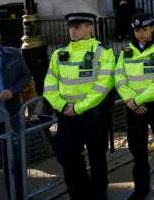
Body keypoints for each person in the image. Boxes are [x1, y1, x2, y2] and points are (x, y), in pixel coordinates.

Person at [43, 13, 115, 200]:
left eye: (78, 27)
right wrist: (63, 105)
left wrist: (79, 107)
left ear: (90, 28)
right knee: (67, 156)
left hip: (92, 114)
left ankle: (98, 194)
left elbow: (103, 85)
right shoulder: (60, 53)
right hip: (66, 114)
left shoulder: (103, 51)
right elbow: (50, 85)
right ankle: (78, 193)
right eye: (71, 27)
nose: (73, 31)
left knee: (97, 156)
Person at [114, 13, 154, 200]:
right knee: (138, 151)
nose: (141, 34)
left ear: (152, 29)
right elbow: (119, 79)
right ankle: (141, 188)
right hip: (133, 109)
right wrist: (131, 101)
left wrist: (137, 101)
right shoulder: (125, 53)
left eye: (144, 29)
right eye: (137, 30)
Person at [0, 26, 30, 199]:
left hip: (10, 115)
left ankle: (17, 194)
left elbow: (25, 77)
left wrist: (12, 91)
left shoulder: (13, 54)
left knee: (14, 159)